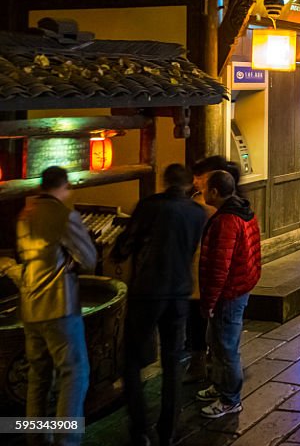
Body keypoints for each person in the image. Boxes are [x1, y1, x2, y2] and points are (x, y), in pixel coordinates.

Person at [113, 164, 208, 446]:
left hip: (147, 290)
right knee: (173, 359)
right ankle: (169, 428)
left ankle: (140, 428)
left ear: (165, 181)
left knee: (131, 360)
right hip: (179, 291)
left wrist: (120, 251)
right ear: (190, 183)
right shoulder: (196, 213)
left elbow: (126, 243)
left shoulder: (150, 206)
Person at [15, 166, 96, 445]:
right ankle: (67, 439)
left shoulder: (25, 215)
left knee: (38, 376)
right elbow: (88, 258)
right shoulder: (64, 215)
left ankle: (35, 438)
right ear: (64, 186)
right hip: (59, 305)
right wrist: (72, 260)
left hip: (29, 304)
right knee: (74, 373)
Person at [197, 170, 262, 418]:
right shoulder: (243, 212)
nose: (201, 192)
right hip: (240, 286)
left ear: (214, 192)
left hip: (229, 292)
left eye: (204, 188)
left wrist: (210, 301)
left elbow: (219, 266)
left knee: (226, 347)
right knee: (217, 341)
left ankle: (230, 399)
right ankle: (220, 386)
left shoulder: (226, 221)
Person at [184, 156, 237, 379]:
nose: (196, 181)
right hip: (204, 274)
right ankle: (210, 364)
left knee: (203, 322)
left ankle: (218, 377)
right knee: (209, 324)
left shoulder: (212, 208)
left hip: (204, 274)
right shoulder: (231, 204)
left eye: (200, 177)